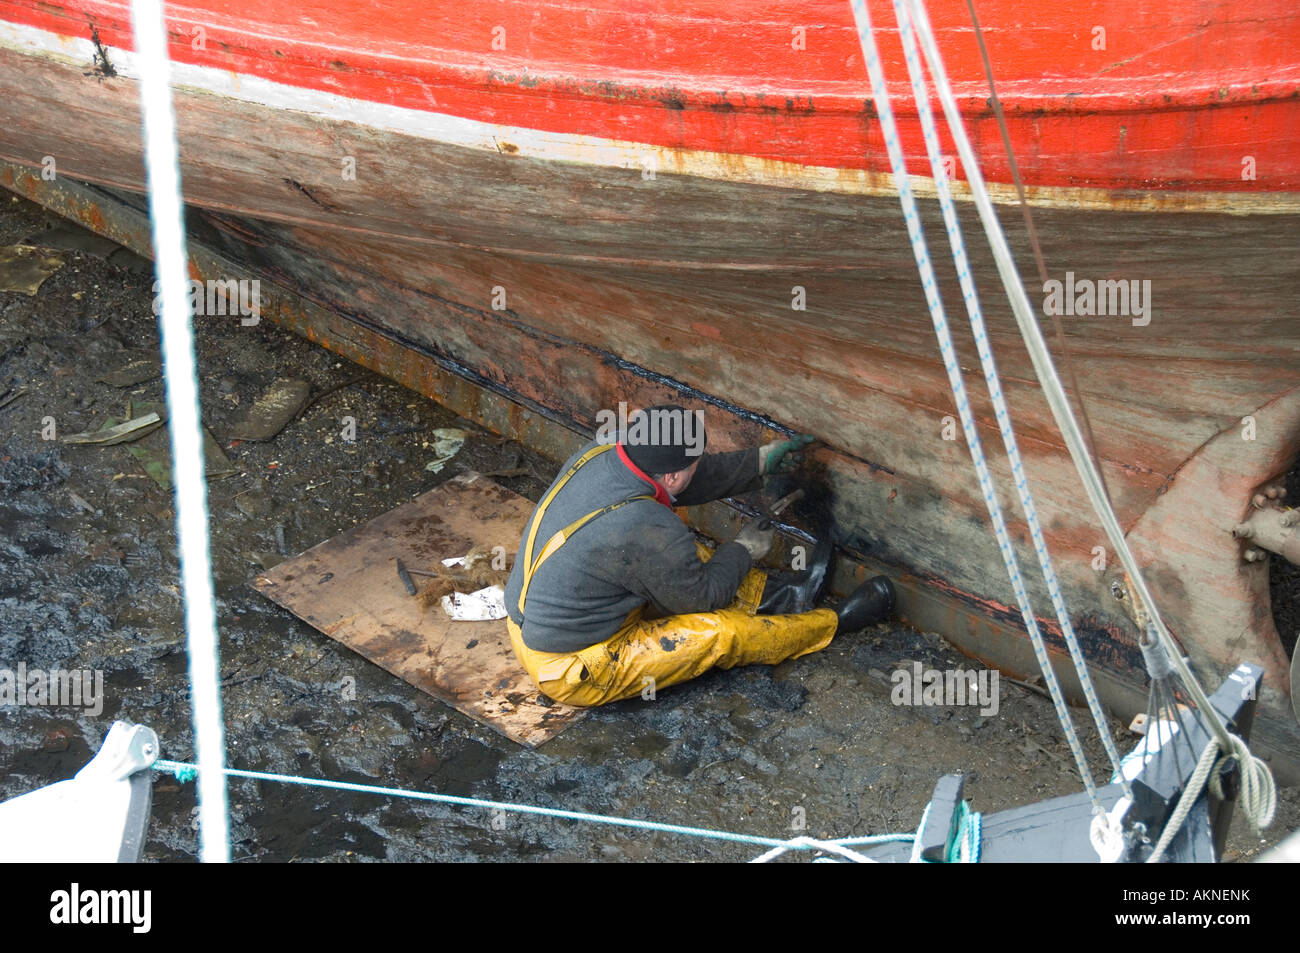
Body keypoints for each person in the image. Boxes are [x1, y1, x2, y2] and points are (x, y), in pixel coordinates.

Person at [503, 405, 894, 706]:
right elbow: (703, 598)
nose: (696, 468)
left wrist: (759, 462)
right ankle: (829, 625)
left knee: (685, 555)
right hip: (573, 663)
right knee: (720, 633)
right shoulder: (644, 526)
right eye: (693, 463)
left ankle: (788, 597)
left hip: (550, 611)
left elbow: (683, 482)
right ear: (671, 475)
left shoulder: (610, 450)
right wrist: (744, 549)